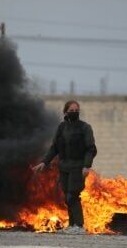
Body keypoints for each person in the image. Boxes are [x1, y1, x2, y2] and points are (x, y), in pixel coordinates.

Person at [32, 100, 97, 234]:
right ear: (65, 112)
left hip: (78, 167)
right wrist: (44, 162)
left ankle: (79, 226)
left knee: (73, 195)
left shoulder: (85, 127)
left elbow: (91, 149)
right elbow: (54, 147)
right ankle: (72, 225)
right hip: (64, 167)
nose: (74, 113)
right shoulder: (62, 127)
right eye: (71, 110)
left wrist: (86, 166)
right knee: (66, 196)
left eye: (76, 110)